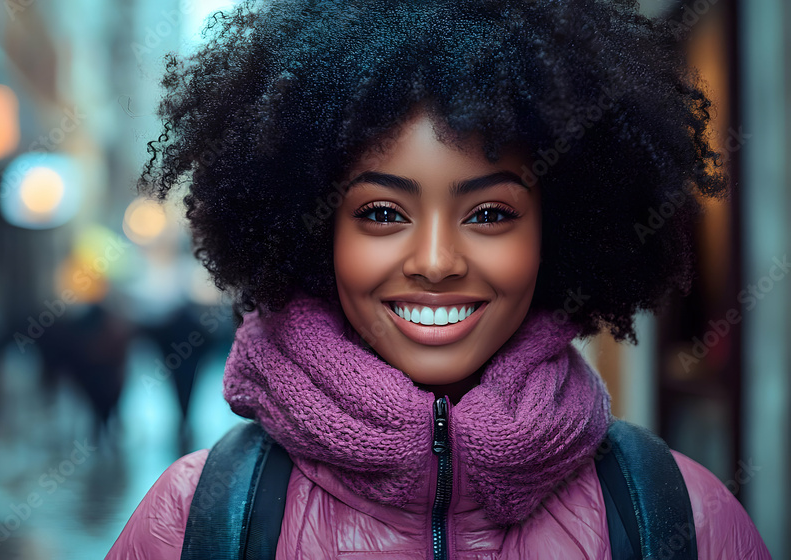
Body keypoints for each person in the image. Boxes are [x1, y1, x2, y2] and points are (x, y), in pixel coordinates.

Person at [106, 0, 771, 557]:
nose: (434, 260)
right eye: (382, 213)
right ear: (317, 234)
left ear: (558, 231)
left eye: (488, 213)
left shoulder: (682, 517)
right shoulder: (195, 521)